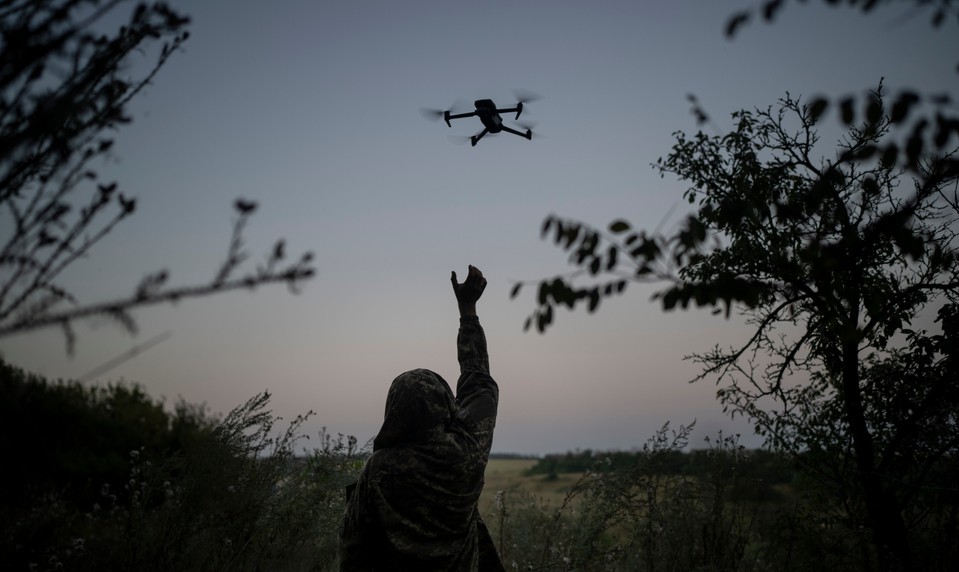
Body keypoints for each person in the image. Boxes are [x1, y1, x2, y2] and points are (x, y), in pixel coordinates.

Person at [338, 265, 505, 572]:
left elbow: (353, 549)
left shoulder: (379, 470)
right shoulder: (466, 453)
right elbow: (478, 382)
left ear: (394, 411)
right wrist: (468, 310)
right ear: (445, 407)